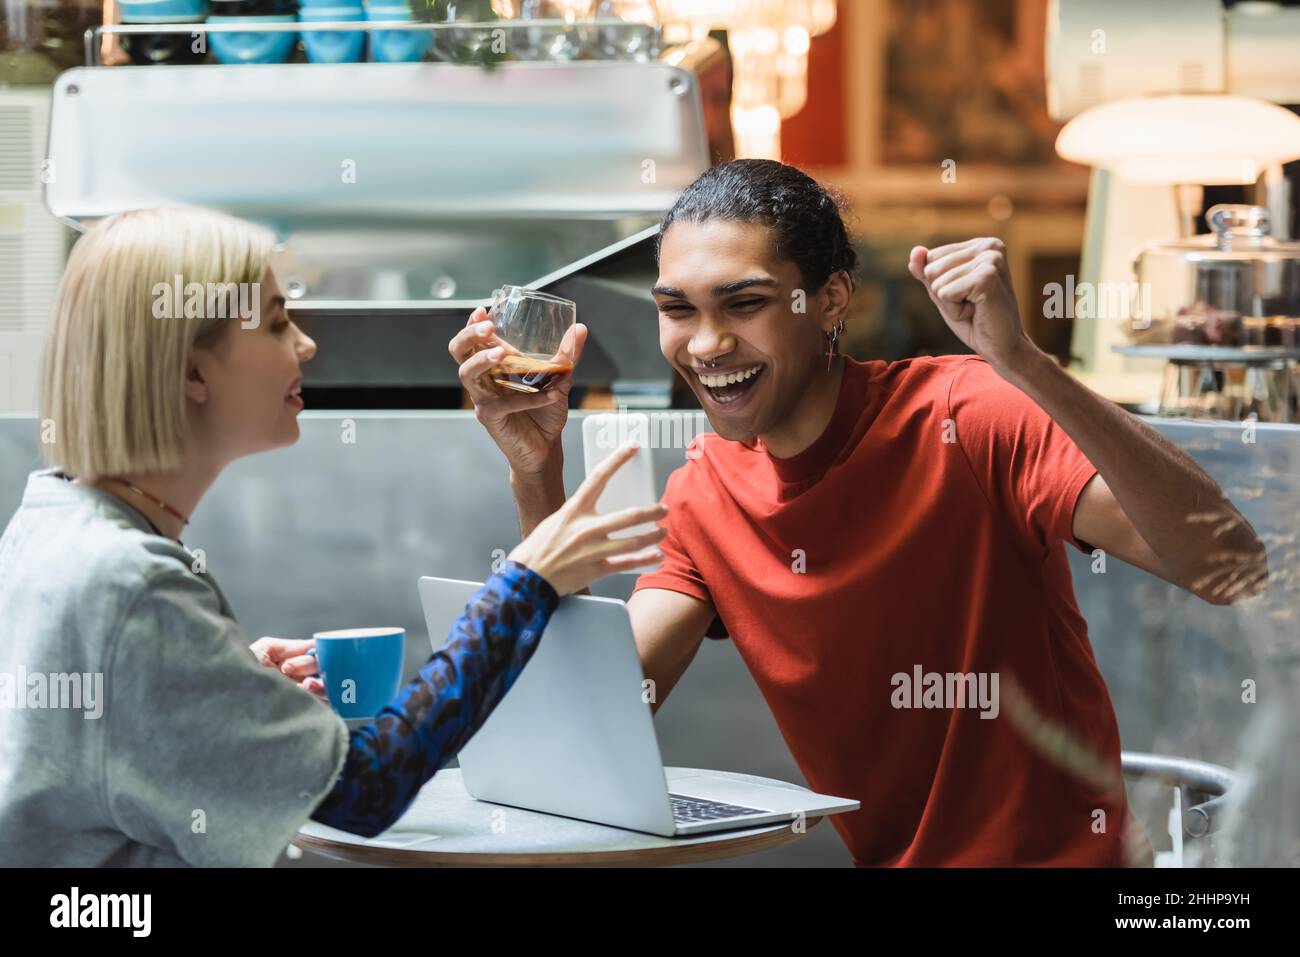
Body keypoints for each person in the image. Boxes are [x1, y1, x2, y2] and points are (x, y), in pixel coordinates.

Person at [449, 159, 1270, 866]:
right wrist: (537, 474)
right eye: (678, 309)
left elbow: (1230, 568)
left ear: (830, 299)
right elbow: (599, 713)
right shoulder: (704, 492)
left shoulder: (970, 412)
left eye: (744, 304)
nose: (704, 345)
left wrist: (1023, 365)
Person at [0, 205, 665, 866]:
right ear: (193, 373)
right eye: (277, 323)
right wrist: (525, 580)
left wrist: (219, 689)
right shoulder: (133, 584)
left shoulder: (50, 519)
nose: (306, 346)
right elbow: (368, 788)